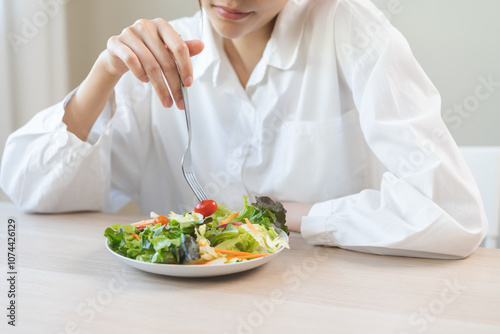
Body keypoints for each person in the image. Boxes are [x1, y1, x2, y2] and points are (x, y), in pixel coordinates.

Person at [0, 0, 488, 259]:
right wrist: (104, 72)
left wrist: (285, 215)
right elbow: (27, 188)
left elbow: (453, 216)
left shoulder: (351, 29)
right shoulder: (159, 55)